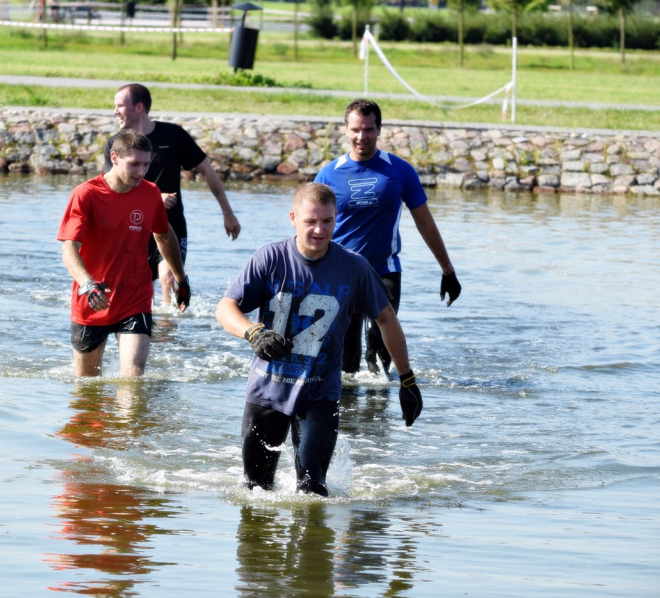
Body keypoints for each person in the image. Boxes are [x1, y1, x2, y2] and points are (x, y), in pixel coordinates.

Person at [215, 182, 423, 497]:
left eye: (327, 221)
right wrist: (252, 331)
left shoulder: (354, 267)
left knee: (313, 493)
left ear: (336, 219)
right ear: (293, 218)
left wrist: (406, 379)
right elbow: (226, 307)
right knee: (255, 492)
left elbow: (386, 319)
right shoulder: (270, 259)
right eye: (311, 221)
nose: (319, 230)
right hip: (267, 391)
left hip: (320, 394)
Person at [314, 99, 462, 377]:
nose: (362, 137)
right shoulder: (328, 175)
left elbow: (425, 221)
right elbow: (311, 227)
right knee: (346, 360)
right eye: (356, 129)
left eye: (369, 129)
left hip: (385, 271)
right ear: (345, 129)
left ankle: (377, 415)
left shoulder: (399, 170)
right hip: (340, 271)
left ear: (379, 129)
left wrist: (448, 270)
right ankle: (349, 418)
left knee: (379, 351)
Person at [58, 129, 191, 378]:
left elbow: (163, 235)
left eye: (146, 165)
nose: (141, 172)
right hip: (93, 299)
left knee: (133, 377)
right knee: (88, 387)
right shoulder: (86, 194)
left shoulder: (150, 192)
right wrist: (87, 284)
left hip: (135, 299)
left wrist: (181, 279)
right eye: (134, 164)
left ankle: (129, 419)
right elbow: (69, 249)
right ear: (115, 157)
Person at [104, 83, 241, 305]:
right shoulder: (116, 144)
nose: (115, 111)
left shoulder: (173, 134)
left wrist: (228, 213)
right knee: (137, 288)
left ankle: (168, 333)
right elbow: (111, 187)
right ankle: (147, 329)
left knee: (167, 278)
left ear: (139, 107)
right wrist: (154, 199)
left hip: (171, 226)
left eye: (120, 105)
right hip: (133, 225)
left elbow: (207, 171)